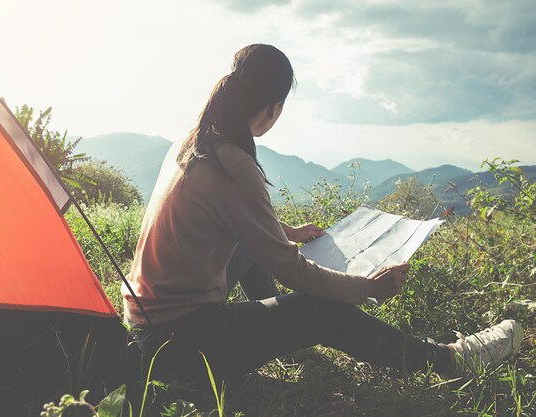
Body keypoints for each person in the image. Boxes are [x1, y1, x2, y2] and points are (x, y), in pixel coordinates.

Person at [121, 44, 523, 385]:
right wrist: (367, 287)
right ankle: (452, 360)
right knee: (317, 308)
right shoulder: (233, 164)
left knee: (256, 252)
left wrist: (289, 231)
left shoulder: (195, 142)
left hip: (151, 326)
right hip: (179, 347)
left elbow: (233, 216)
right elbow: (292, 272)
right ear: (273, 108)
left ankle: (279, 331)